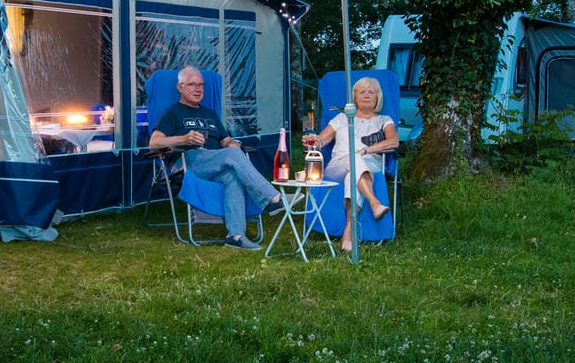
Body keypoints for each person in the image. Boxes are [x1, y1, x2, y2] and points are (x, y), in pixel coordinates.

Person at [150, 65, 282, 249]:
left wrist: (232, 144)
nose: (198, 89)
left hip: (217, 160)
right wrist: (184, 139)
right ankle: (271, 199)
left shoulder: (209, 114)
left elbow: (225, 139)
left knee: (233, 175)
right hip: (189, 161)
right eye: (192, 85)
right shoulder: (172, 113)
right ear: (180, 88)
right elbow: (154, 143)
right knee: (232, 156)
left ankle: (235, 235)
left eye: (201, 85)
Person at [305, 75, 399, 252]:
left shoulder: (384, 120)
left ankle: (349, 230)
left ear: (377, 97)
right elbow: (320, 140)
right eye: (362, 92)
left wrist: (364, 151)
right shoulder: (342, 119)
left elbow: (393, 142)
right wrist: (311, 140)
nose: (366, 95)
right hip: (337, 166)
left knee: (353, 172)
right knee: (352, 161)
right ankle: (373, 202)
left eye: (371, 92)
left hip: (370, 163)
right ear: (354, 97)